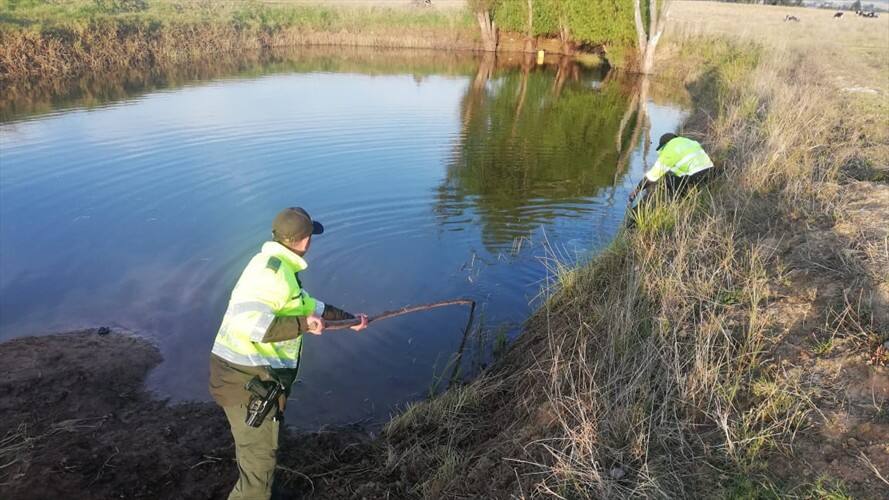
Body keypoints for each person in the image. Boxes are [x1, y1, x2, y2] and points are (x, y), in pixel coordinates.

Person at [208, 206, 368, 500]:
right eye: (311, 237)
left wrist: (350, 320)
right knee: (257, 467)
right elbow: (255, 325)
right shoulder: (274, 274)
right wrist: (303, 325)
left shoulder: (275, 266)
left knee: (261, 456)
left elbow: (309, 307)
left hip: (245, 376)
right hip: (244, 382)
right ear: (305, 241)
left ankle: (262, 490)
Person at [628, 133, 715, 205]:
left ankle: (643, 209)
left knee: (662, 181)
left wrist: (637, 190)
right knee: (670, 178)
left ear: (664, 145)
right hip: (711, 174)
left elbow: (652, 176)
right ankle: (683, 199)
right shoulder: (690, 142)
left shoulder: (670, 149)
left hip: (695, 180)